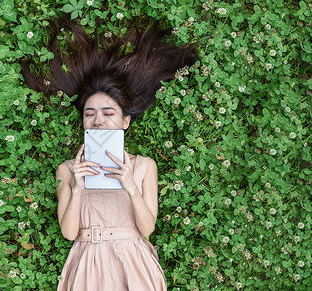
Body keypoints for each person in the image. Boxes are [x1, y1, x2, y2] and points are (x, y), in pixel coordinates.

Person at [22, 15, 198, 290]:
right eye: (89, 113)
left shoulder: (144, 166)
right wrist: (78, 188)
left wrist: (130, 186)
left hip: (134, 260)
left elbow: (147, 228)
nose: (98, 120)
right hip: (88, 260)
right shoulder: (67, 170)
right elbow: (69, 233)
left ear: (125, 121)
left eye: (108, 112)